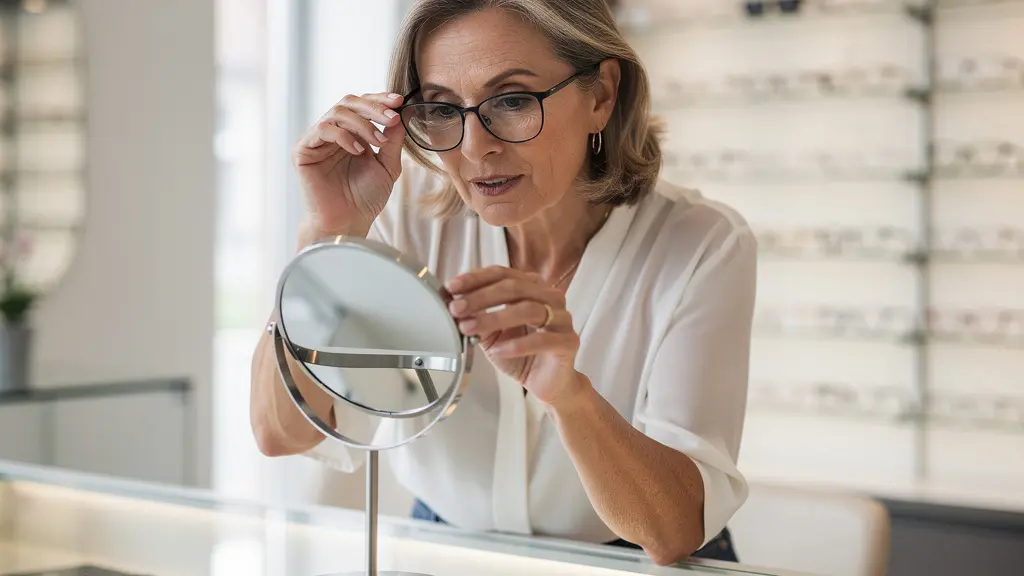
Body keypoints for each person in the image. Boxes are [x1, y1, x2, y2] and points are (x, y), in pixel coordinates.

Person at [250, 0, 757, 566]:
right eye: (442, 109)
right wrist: (326, 238)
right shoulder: (399, 220)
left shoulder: (701, 244)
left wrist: (570, 398)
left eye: (512, 100)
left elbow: (673, 531)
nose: (474, 149)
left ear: (601, 96)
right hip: (449, 554)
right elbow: (281, 434)